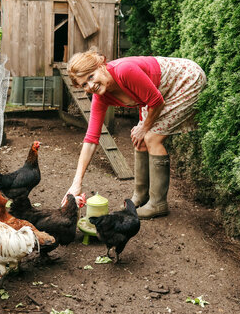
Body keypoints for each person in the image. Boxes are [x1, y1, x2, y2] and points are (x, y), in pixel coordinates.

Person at [62, 49, 207, 219]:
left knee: (152, 138)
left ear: (101, 65)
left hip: (185, 79)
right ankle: (140, 196)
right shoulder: (101, 97)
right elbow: (91, 138)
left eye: (91, 76)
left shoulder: (124, 71)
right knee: (140, 141)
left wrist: (144, 128)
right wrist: (76, 183)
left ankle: (158, 204)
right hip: (159, 90)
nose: (91, 85)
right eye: (84, 84)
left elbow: (156, 101)